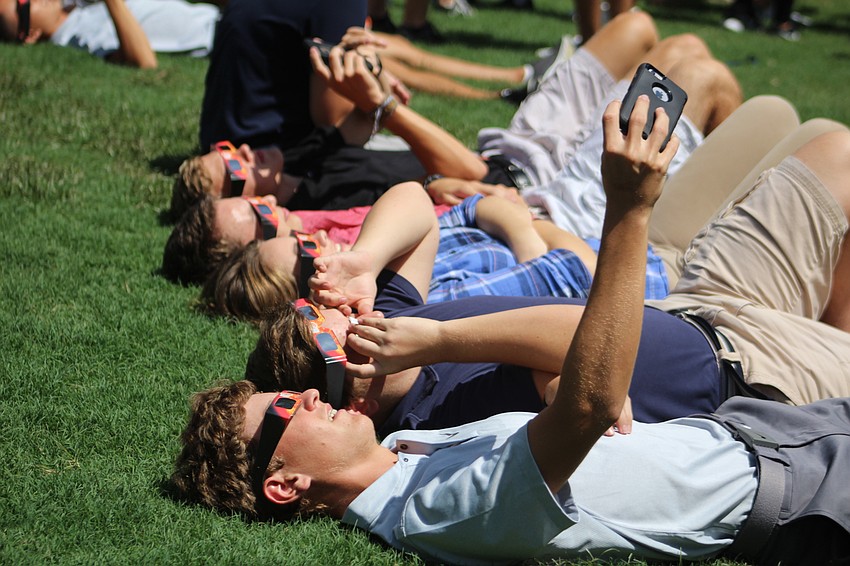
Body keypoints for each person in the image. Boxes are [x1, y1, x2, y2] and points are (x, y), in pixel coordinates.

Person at [172, 100, 850, 563]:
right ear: (284, 482)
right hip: (750, 385)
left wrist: (365, 264)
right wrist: (627, 208)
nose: (345, 318)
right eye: (290, 406)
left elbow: (416, 204)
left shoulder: (408, 443)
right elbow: (589, 398)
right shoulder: (428, 471)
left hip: (701, 320)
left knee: (829, 144)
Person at [0, 0, 218, 68]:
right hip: (218, 34)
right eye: (24, 4)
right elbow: (145, 62)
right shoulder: (78, 36)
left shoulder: (75, 8)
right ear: (30, 35)